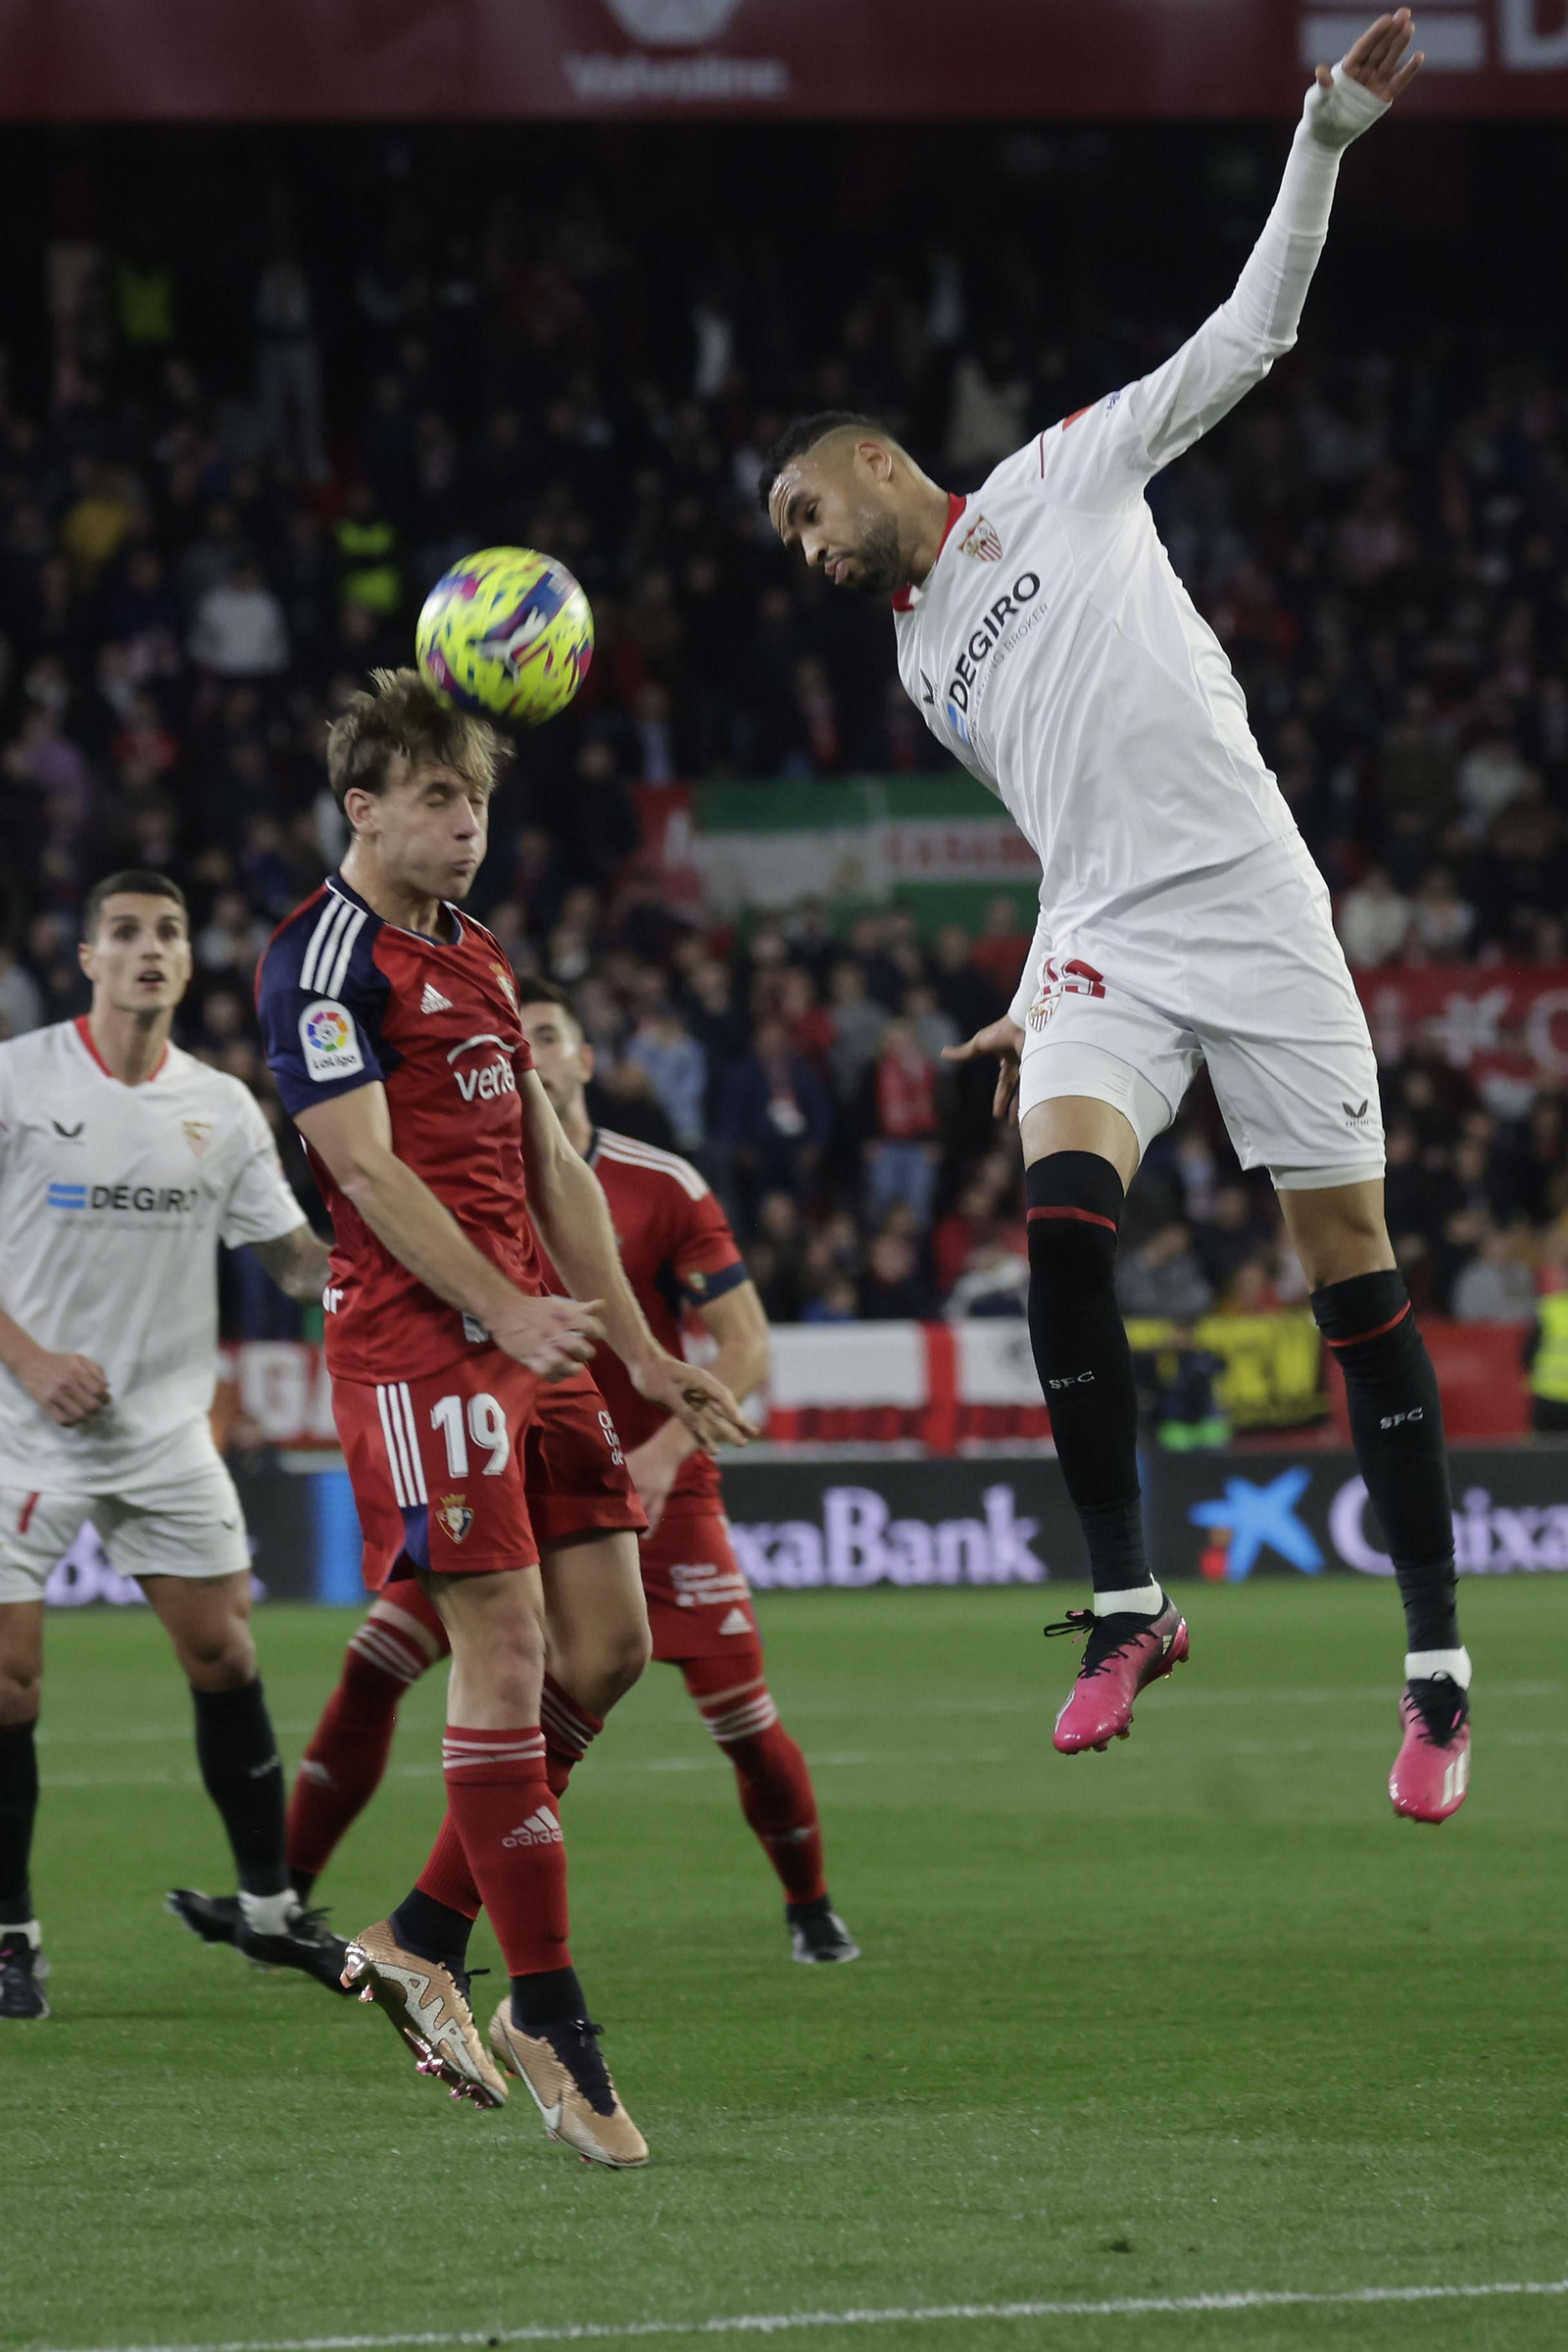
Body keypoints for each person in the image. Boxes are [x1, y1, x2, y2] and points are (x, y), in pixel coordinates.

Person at [761, 15, 1472, 1824]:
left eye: (807, 510)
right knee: (1059, 1223)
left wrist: (1320, 139)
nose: (804, 549)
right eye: (785, 541)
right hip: (1105, 949)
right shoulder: (922, 665)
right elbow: (1066, 815)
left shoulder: (1066, 474)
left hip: (1258, 915)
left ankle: (1438, 1663)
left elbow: (1255, 337)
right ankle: (1133, 1602)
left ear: (884, 463)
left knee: (1353, 1283)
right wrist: (1030, 981)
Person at [253, 670, 751, 2165]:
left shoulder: (476, 953)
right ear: (365, 809)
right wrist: (500, 1309)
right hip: (417, 1348)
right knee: (509, 1644)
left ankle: (419, 1933)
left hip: (539, 1342)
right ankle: (549, 2008)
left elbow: (555, 1168)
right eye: (438, 803)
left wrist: (642, 1354)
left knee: (616, 1648)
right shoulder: (315, 960)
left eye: (477, 803)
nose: (468, 828)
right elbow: (367, 1175)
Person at [280, 980, 858, 1967]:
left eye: (549, 1038)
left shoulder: (658, 1182)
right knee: (382, 1665)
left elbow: (745, 1342)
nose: (532, 1055)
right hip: (498, 1454)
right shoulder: (459, 1176)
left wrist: (670, 1448)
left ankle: (809, 1908)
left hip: (642, 1476)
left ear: (582, 1060)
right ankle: (284, 1901)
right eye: (521, 1039)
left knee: (736, 1719)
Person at [0, 870, 336, 2023]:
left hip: (162, 1436)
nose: (150, 950)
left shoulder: (224, 1106)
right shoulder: (18, 1078)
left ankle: (271, 1909)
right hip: (17, 1433)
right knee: (9, 1682)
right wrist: (33, 1359)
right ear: (87, 957)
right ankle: (9, 1937)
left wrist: (383, 1279)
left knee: (225, 1659)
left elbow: (291, 1259)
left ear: (191, 962)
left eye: (169, 933)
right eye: (127, 933)